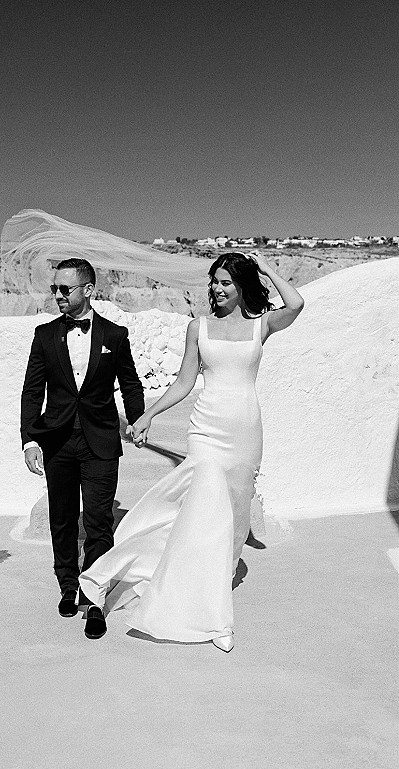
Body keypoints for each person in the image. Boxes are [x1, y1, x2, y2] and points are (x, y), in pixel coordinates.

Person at [79, 251, 304, 650]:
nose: (216, 289)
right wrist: (148, 415)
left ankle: (213, 584)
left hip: (246, 431)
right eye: (213, 281)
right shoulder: (197, 328)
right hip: (206, 431)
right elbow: (184, 382)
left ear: (241, 288)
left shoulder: (261, 326)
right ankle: (213, 618)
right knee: (206, 511)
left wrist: (266, 268)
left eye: (225, 283)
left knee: (234, 516)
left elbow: (296, 304)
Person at [21, 258, 145, 639]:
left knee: (98, 522)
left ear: (88, 290)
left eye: (65, 289)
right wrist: (29, 440)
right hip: (57, 441)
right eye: (54, 288)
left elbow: (130, 383)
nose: (57, 295)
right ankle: (68, 585)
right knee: (61, 519)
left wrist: (138, 420)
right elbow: (31, 391)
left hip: (101, 441)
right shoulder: (44, 336)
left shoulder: (114, 335)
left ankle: (95, 598)